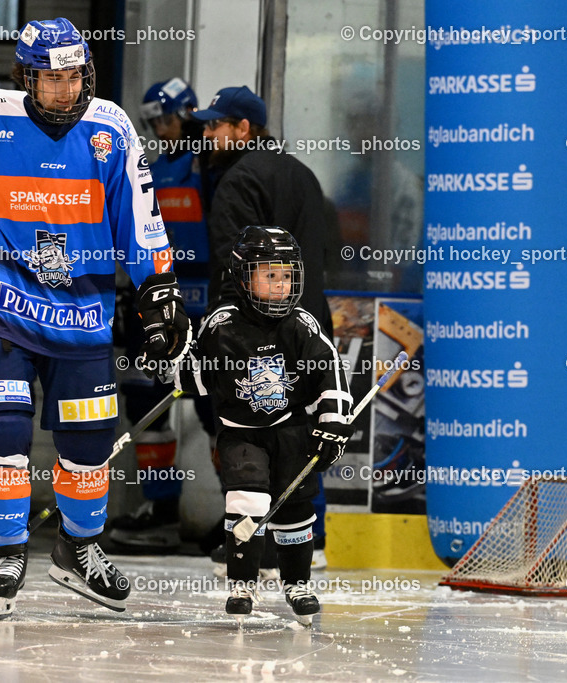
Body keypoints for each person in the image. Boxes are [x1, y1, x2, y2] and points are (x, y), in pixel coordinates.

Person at [0, 17, 190, 618]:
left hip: (84, 314)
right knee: (1, 431)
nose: (65, 91)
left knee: (89, 443)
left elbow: (142, 218)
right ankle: (7, 553)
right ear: (26, 77)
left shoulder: (111, 126)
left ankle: (79, 549)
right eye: (51, 79)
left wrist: (159, 288)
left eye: (74, 77)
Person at [175, 225, 353, 625]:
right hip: (241, 432)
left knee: (295, 506)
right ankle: (242, 583)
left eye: (287, 275)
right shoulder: (222, 324)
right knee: (247, 502)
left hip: (291, 431)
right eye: (270, 274)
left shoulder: (301, 324)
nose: (280, 285)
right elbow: (196, 380)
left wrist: (335, 423)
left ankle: (297, 583)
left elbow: (329, 373)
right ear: (243, 276)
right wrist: (172, 355)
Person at [194, 85, 336, 570]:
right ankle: (307, 537)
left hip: (258, 335)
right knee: (301, 431)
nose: (207, 135)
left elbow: (233, 267)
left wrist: (222, 336)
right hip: (309, 323)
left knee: (250, 430)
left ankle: (256, 537)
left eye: (215, 126)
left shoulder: (237, 180)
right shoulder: (303, 173)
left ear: (243, 129)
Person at [109, 77, 216, 552]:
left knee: (218, 407)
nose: (161, 129)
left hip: (207, 304)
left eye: (167, 119)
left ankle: (239, 511)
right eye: (153, 122)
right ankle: (162, 506)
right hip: (155, 302)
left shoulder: (209, 168)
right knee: (143, 400)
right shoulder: (149, 170)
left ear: (189, 114)